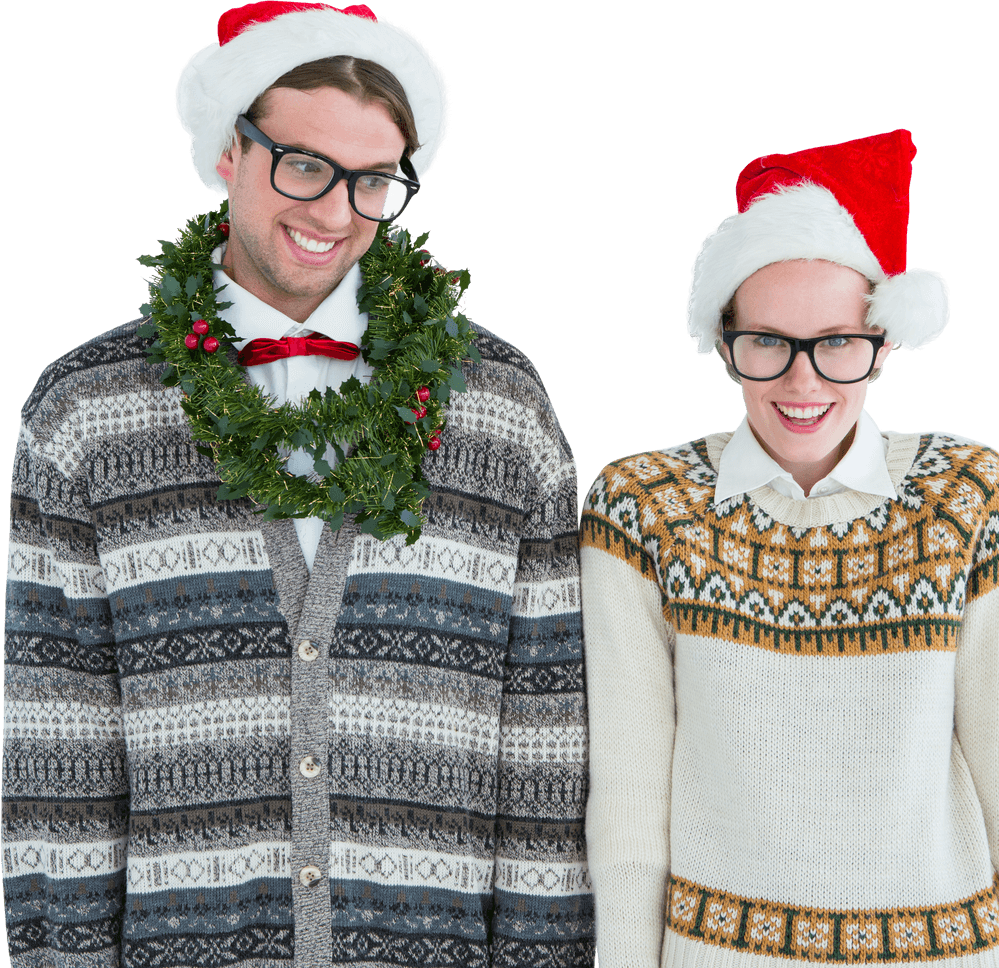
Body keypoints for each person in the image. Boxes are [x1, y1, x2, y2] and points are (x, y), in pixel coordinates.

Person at [1, 3, 592, 966]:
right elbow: (56, 747)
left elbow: (547, 739)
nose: (334, 212)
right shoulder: (86, 409)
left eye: (372, 180)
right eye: (305, 165)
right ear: (230, 152)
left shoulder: (500, 407)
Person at [579, 130, 999, 967]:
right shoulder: (642, 507)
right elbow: (628, 816)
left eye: (837, 342)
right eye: (768, 340)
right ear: (725, 343)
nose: (802, 380)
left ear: (882, 344)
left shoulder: (968, 493)